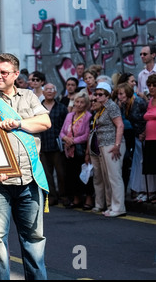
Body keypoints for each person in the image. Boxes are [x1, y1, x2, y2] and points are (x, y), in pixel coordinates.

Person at [0, 53, 51, 280]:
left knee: (34, 240)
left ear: (16, 75)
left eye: (4, 72)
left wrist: (18, 123)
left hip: (29, 179)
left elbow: (45, 122)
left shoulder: (28, 96)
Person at [86, 82, 126, 217]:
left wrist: (117, 145)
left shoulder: (111, 106)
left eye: (100, 94)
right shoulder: (102, 108)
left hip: (111, 144)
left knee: (114, 176)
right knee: (108, 177)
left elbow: (120, 126)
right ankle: (111, 205)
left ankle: (119, 207)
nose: (97, 97)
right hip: (103, 144)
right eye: (96, 94)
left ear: (107, 95)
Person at [60, 92, 93, 209]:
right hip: (69, 151)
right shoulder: (70, 115)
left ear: (86, 104)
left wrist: (73, 141)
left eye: (82, 102)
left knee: (85, 175)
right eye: (77, 102)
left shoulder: (88, 116)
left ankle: (88, 199)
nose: (79, 104)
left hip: (81, 150)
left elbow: (87, 134)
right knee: (71, 175)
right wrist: (66, 138)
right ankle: (76, 198)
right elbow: (62, 131)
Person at [114, 82, 147, 200]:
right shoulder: (124, 105)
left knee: (144, 162)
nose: (119, 96)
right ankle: (140, 189)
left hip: (144, 134)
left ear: (127, 93)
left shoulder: (138, 102)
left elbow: (147, 117)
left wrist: (145, 131)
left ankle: (147, 191)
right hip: (136, 135)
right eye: (118, 94)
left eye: (121, 94)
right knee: (138, 162)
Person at [40, 83, 68, 206]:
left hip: (58, 145)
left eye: (52, 89)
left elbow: (66, 126)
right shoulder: (38, 108)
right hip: (43, 144)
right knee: (47, 174)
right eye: (47, 89)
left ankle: (63, 195)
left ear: (55, 92)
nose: (49, 91)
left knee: (61, 173)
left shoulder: (62, 108)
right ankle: (51, 196)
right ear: (43, 92)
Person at [142, 75, 156, 204]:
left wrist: (150, 116)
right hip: (150, 137)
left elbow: (149, 115)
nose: (151, 88)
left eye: (154, 85)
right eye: (149, 85)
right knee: (153, 168)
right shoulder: (150, 100)